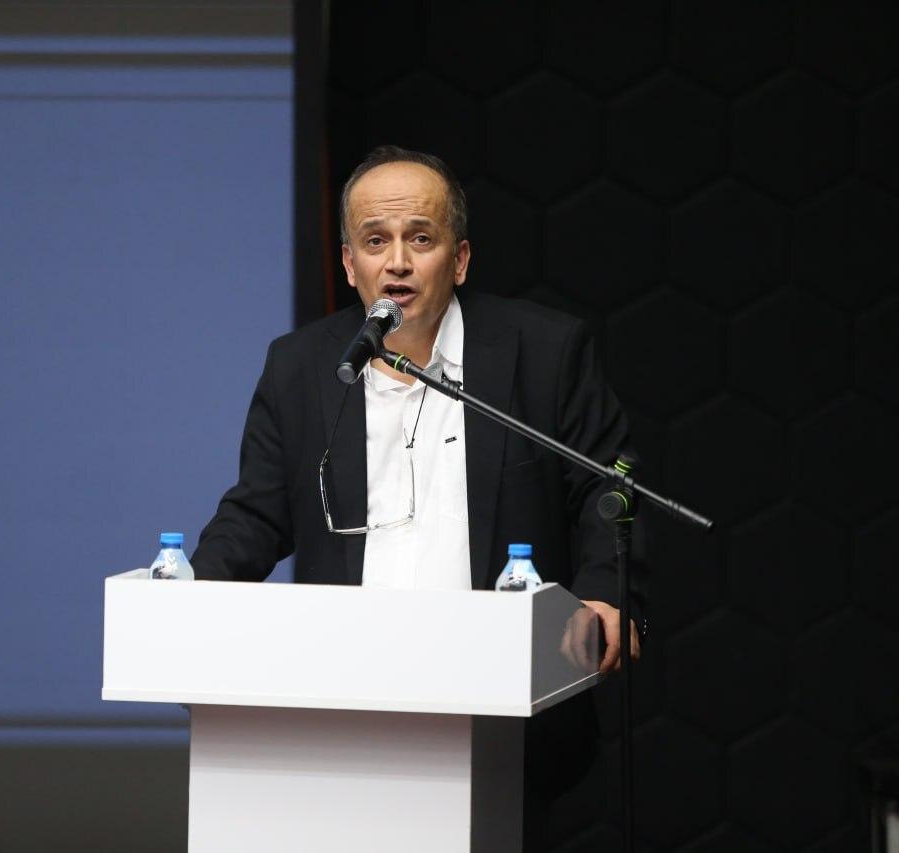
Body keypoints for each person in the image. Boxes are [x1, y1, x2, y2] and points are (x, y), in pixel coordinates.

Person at [191, 145, 644, 820]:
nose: (397, 262)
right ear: (350, 264)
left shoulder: (543, 352)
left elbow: (608, 491)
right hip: (346, 704)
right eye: (375, 241)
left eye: (420, 239)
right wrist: (186, 599)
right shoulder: (300, 366)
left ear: (459, 260)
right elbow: (256, 515)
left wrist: (608, 593)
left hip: (503, 707)